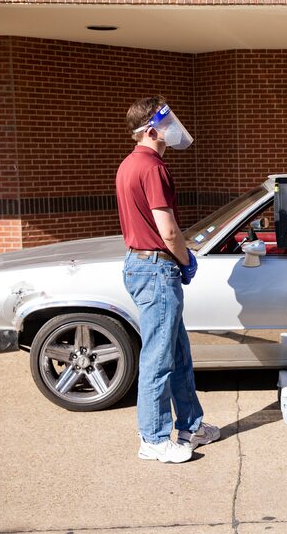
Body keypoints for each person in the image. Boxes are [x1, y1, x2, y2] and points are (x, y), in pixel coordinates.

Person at [116, 95, 221, 463]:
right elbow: (169, 230)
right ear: (150, 130)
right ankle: (154, 438)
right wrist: (186, 259)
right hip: (158, 268)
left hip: (142, 264)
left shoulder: (128, 165)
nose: (171, 130)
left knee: (176, 352)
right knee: (159, 358)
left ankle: (191, 426)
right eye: (165, 123)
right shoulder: (153, 167)